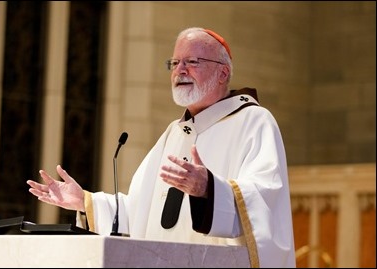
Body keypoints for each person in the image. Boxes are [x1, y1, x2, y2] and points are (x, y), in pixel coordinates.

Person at [27, 27, 296, 267]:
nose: (180, 70)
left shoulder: (253, 121)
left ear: (223, 72)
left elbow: (265, 198)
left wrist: (210, 190)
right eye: (175, 62)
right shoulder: (174, 133)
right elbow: (141, 210)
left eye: (192, 62)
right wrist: (86, 201)